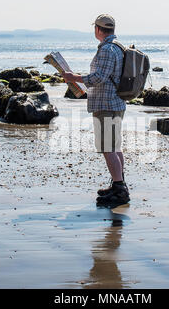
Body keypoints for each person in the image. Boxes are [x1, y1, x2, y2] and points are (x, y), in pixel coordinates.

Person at [62, 14, 130, 205]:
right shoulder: (118, 47)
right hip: (115, 102)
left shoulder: (108, 49)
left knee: (108, 147)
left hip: (106, 103)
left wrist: (73, 78)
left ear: (99, 30)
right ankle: (118, 184)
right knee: (114, 146)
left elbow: (99, 77)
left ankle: (119, 189)